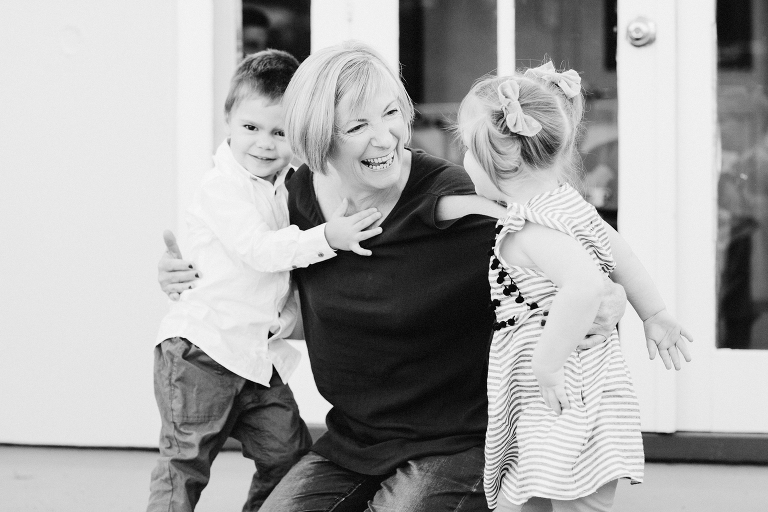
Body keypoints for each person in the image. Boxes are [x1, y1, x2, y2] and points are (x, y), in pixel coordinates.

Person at [157, 41, 678, 511]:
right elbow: (254, 265)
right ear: (317, 139)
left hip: (454, 442)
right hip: (352, 441)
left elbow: (556, 236)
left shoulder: (452, 199)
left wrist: (604, 295)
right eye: (357, 126)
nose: (385, 137)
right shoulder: (293, 201)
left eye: (391, 114)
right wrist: (190, 276)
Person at [147, 49, 383, 512]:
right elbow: (259, 250)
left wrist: (292, 310)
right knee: (185, 464)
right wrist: (328, 236)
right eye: (251, 128)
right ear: (228, 122)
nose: (264, 144)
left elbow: (288, 273)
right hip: (203, 350)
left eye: (279, 132)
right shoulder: (222, 187)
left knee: (288, 457)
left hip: (257, 359)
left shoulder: (290, 184)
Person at [456, 64, 693, 511]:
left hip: (563, 392)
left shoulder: (531, 229)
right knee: (546, 488)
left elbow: (583, 287)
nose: (463, 160)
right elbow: (619, 254)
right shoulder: (567, 205)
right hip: (579, 387)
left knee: (569, 495)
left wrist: (547, 362)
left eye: (467, 148)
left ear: (497, 159)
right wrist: (654, 312)